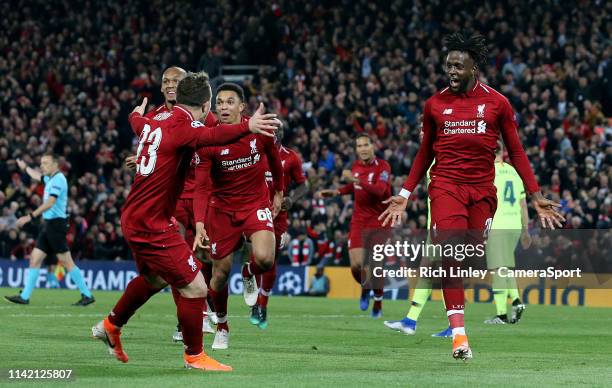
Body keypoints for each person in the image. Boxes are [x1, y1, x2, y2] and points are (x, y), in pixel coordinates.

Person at [379, 32, 564, 360]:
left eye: (458, 66)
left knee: (471, 258)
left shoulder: (497, 104)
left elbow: (517, 151)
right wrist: (405, 193)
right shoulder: (434, 104)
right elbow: (424, 154)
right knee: (451, 253)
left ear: (473, 68)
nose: (451, 71)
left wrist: (535, 196)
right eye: (448, 65)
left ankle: (456, 318)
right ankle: (459, 336)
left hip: (482, 192)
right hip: (446, 186)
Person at [91, 72, 280, 371]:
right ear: (206, 106)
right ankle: (195, 355)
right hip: (151, 222)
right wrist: (249, 126)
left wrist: (132, 115)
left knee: (157, 278)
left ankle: (110, 326)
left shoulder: (156, 121)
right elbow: (213, 136)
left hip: (138, 215)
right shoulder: (185, 127)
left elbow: (138, 123)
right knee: (195, 286)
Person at [192, 82, 284, 350]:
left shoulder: (259, 131)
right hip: (221, 210)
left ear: (241, 107)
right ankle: (222, 325)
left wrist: (278, 191)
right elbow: (200, 187)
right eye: (219, 102)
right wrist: (199, 224)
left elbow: (275, 161)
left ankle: (248, 270)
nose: (223, 107)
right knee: (218, 275)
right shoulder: (208, 140)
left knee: (266, 259)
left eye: (229, 102)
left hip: (255, 203)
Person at [317, 134, 391, 318]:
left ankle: (378, 303)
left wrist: (356, 181)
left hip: (379, 220)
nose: (363, 149)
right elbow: (354, 188)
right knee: (357, 266)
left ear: (373, 146)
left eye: (366, 145)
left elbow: (379, 190)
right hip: (359, 220)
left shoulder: (383, 167)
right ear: (356, 149)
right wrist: (337, 192)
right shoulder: (356, 167)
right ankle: (366, 288)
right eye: (359, 146)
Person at [5, 154, 94, 306]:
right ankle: (24, 297)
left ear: (55, 165)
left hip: (56, 225)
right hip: (48, 225)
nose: (42, 166)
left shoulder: (59, 179)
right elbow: (37, 175)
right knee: (35, 259)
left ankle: (87, 294)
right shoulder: (50, 178)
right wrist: (25, 167)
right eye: (41, 163)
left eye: (45, 163)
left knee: (66, 262)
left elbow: (51, 202)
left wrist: (30, 216)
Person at [250, 125, 309, 329]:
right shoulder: (254, 151)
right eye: (270, 131)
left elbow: (304, 185)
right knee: (257, 256)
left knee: (270, 260)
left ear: (282, 135)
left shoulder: (291, 158)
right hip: (255, 210)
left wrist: (291, 199)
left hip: (278, 216)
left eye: (277, 132)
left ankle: (262, 304)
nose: (273, 135)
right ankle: (254, 295)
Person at [484, 142, 531, 324]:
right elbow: (523, 205)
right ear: (503, 152)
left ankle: (501, 314)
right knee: (505, 267)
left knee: (497, 269)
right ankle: (516, 301)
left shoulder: (488, 172)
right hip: (514, 225)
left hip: (498, 224)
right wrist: (525, 230)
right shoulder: (514, 172)